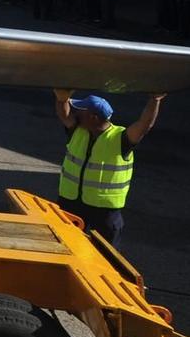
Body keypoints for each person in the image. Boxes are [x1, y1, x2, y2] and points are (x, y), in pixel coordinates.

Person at [51, 90, 162, 247]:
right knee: (63, 244)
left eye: (80, 112)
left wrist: (155, 99)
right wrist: (62, 99)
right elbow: (64, 115)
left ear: (93, 117)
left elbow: (145, 125)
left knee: (105, 254)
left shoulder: (121, 138)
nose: (75, 114)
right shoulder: (79, 130)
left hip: (104, 210)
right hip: (71, 202)